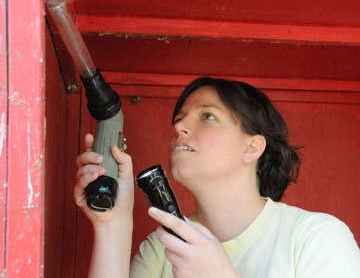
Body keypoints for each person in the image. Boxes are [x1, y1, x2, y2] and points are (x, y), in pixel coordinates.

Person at [75, 77, 360, 278]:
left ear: (252, 148)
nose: (180, 126)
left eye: (208, 116)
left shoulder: (316, 237)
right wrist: (112, 226)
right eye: (179, 119)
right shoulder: (162, 247)